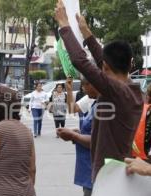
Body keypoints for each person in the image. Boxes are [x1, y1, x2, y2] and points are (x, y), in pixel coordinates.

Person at [54, 0, 143, 182]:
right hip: (116, 175)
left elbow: (81, 62)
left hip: (110, 180)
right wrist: (86, 34)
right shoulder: (131, 89)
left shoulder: (117, 92)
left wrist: (64, 26)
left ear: (105, 67)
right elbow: (104, 60)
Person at [57, 77, 99, 196]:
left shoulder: (104, 105)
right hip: (88, 165)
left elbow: (98, 140)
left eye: (84, 85)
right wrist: (69, 91)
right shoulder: (92, 99)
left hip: (95, 166)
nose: (83, 89)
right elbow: (72, 108)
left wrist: (74, 135)